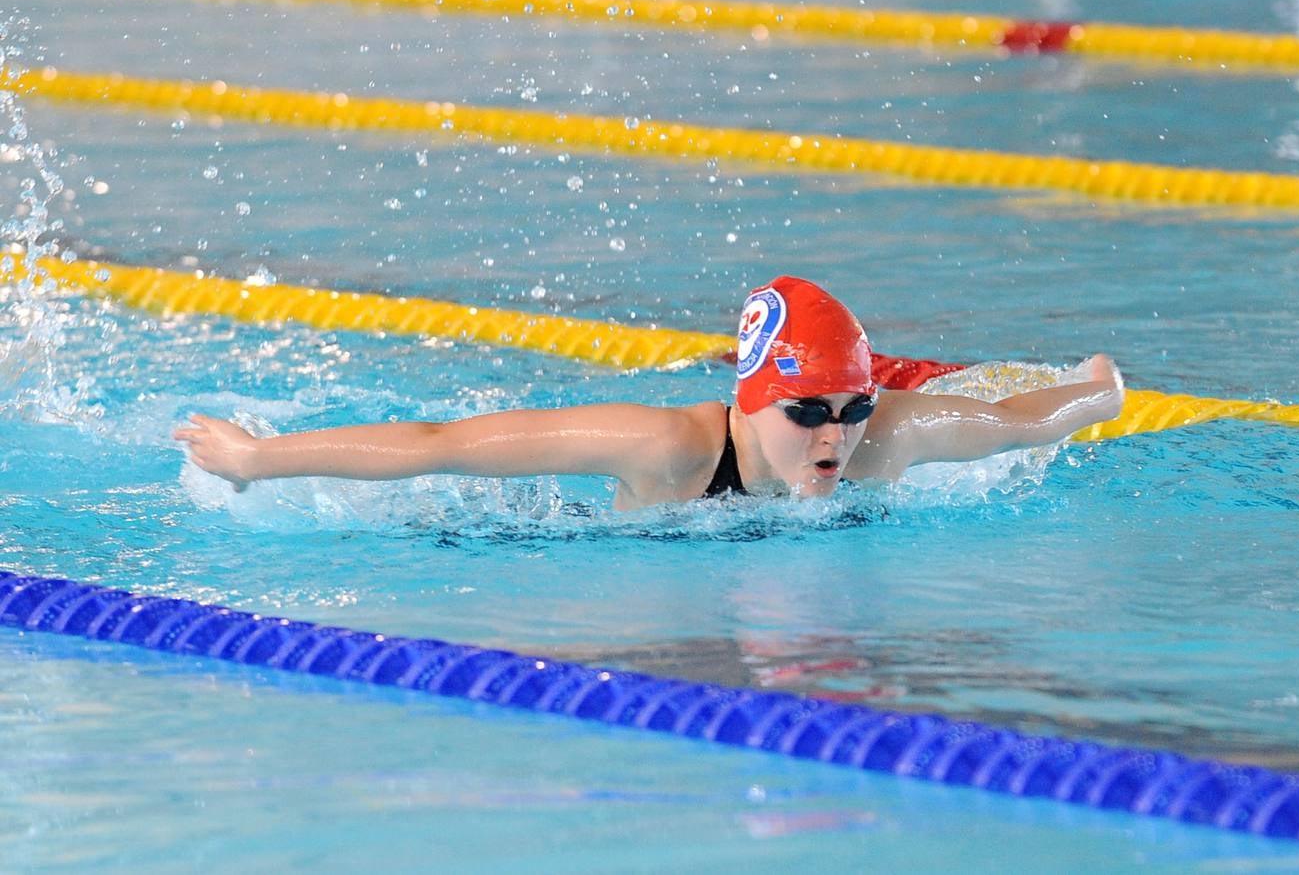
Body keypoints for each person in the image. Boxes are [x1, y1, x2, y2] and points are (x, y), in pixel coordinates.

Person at [174, 276, 1125, 511]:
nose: (836, 435)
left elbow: (1019, 420)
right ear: (748, 400)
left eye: (852, 407)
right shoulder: (661, 445)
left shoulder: (893, 436)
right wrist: (256, 459)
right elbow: (441, 443)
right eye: (808, 411)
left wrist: (1097, 388)